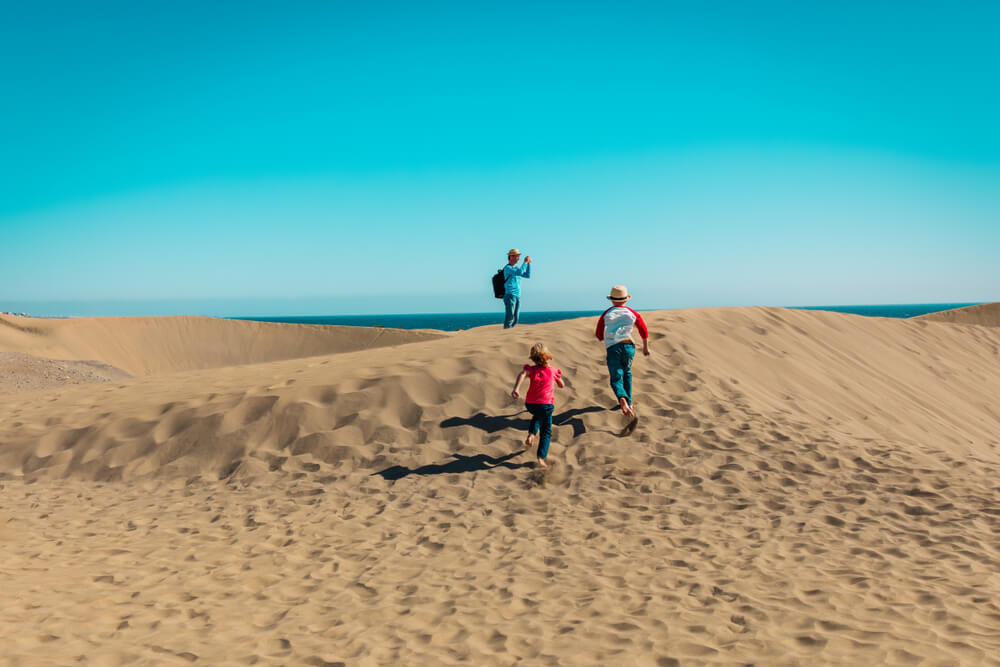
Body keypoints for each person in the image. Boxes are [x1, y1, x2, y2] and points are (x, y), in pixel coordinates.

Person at [595, 285, 650, 433]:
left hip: (613, 348)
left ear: (612, 300)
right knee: (627, 372)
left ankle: (622, 400)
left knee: (616, 378)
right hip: (629, 347)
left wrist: (605, 337)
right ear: (626, 299)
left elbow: (599, 334)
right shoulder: (632, 313)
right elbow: (643, 330)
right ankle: (629, 402)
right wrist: (645, 347)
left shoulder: (607, 313)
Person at [511, 342, 565, 467]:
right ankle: (541, 457)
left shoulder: (531, 369)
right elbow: (562, 385)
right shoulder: (552, 370)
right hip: (546, 405)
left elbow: (522, 374)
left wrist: (516, 388)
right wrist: (558, 381)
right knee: (546, 431)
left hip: (531, 404)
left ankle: (531, 435)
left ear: (533, 358)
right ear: (547, 357)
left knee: (537, 416)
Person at [502, 248, 531, 328]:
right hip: (510, 295)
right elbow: (520, 272)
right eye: (517, 256)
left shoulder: (516, 268)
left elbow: (527, 275)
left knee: (515, 318)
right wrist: (525, 262)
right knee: (510, 317)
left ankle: (510, 331)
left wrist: (528, 264)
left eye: (518, 256)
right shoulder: (508, 268)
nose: (518, 258)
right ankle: (506, 332)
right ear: (511, 257)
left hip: (517, 295)